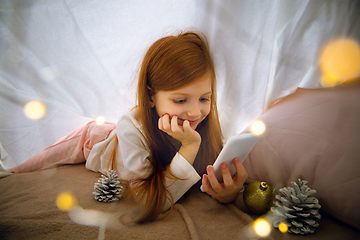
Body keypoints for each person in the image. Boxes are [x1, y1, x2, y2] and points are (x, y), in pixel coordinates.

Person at [9, 31, 248, 223]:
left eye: (204, 99)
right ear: (151, 96)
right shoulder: (131, 127)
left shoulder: (204, 126)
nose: (196, 112)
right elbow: (151, 203)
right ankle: (8, 171)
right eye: (181, 100)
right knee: (35, 162)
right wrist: (189, 145)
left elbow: (197, 175)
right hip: (95, 140)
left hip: (118, 137)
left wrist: (228, 193)